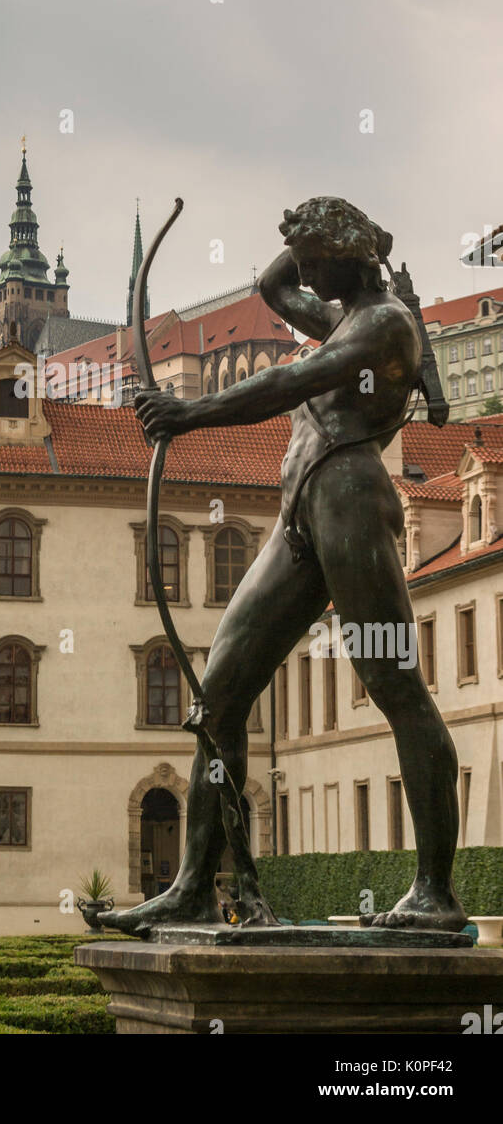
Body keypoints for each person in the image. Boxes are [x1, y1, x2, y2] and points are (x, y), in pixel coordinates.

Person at [101, 197, 464, 935]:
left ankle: (434, 889)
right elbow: (270, 290)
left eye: (312, 260)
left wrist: (186, 416)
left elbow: (283, 386)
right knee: (220, 695)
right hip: (301, 510)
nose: (302, 272)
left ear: (345, 258)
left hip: (352, 505)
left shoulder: (384, 325)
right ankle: (194, 886)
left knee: (395, 684)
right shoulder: (341, 312)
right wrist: (304, 232)